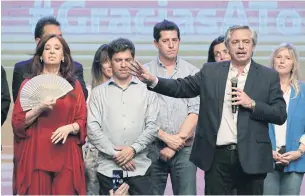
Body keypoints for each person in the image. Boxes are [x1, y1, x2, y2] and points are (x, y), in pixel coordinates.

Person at [128, 25, 287, 195]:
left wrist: (253, 104)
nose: (241, 46)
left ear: (253, 46)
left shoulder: (267, 76)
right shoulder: (211, 71)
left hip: (251, 156)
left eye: (246, 42)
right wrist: (152, 80)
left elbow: (280, 114)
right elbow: (182, 87)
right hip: (217, 156)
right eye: (235, 42)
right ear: (228, 46)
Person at [12, 34, 87, 195]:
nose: (52, 52)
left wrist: (69, 128)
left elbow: (82, 120)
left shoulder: (74, 86)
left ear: (63, 57)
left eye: (57, 48)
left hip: (66, 152)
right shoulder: (27, 84)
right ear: (40, 56)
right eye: (47, 48)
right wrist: (39, 108)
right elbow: (17, 123)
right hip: (36, 153)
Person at [87, 38, 159, 195]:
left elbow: (153, 126)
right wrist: (117, 154)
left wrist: (132, 150)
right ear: (111, 62)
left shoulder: (147, 90)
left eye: (128, 60)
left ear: (133, 61)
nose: (124, 64)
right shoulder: (98, 93)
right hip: (109, 169)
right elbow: (92, 129)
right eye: (118, 60)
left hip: (139, 167)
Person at [145, 20, 199, 195]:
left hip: (185, 148)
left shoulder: (192, 71)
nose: (171, 45)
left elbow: (195, 111)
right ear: (155, 43)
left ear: (179, 41)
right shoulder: (144, 73)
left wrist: (175, 144)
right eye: (165, 41)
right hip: (152, 146)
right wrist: (165, 138)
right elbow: (140, 113)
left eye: (174, 40)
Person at [12, 16, 88, 103]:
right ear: (38, 42)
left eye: (60, 37)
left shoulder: (75, 67)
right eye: (51, 37)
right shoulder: (22, 69)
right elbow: (20, 104)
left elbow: (82, 99)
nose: (56, 40)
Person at [263, 43, 305, 195]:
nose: (282, 61)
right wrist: (268, 150)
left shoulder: (303, 91)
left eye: (287, 58)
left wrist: (300, 152)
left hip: (296, 158)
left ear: (293, 63)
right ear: (273, 62)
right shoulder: (262, 90)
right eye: (278, 57)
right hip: (267, 158)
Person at [84, 44, 112, 195]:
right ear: (98, 64)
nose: (110, 65)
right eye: (105, 61)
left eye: (112, 60)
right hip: (94, 153)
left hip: (118, 153)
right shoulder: (89, 91)